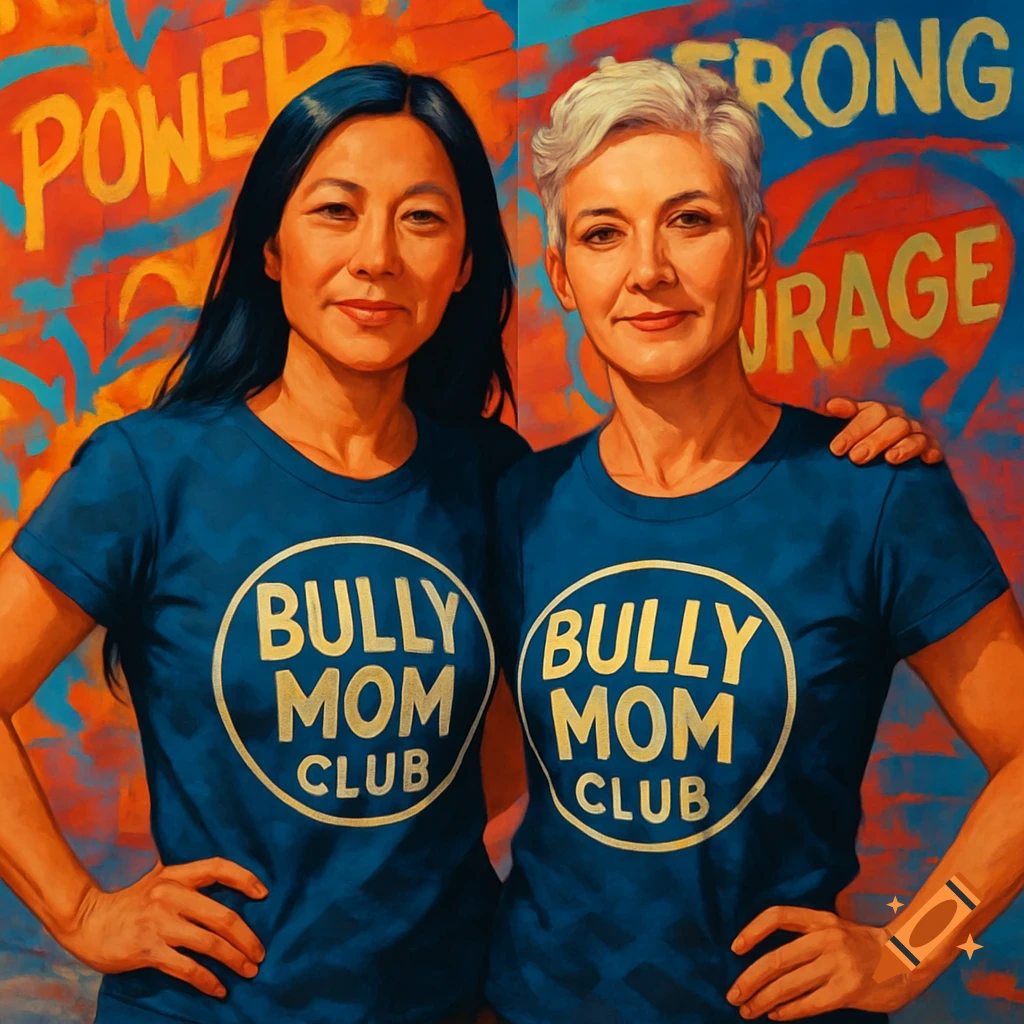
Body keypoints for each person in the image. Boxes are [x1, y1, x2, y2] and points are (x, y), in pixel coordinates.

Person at [0, 59, 934, 1024]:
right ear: (270, 247)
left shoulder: (498, 479)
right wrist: (78, 911)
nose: (376, 257)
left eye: (422, 218)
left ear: (463, 266)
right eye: (335, 211)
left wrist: (862, 456)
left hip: (458, 1003)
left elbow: (511, 742)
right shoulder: (151, 471)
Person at [485, 57, 1024, 1024]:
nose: (649, 271)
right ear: (563, 274)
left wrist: (908, 948)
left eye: (690, 220)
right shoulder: (520, 501)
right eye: (604, 235)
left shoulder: (870, 491)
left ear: (759, 247)